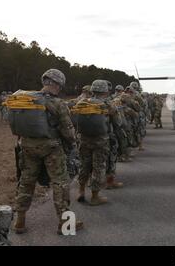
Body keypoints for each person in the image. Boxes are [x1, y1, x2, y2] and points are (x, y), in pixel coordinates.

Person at [7, 69, 83, 234]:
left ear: (45, 81)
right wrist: (72, 145)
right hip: (52, 148)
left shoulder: (27, 99)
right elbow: (68, 131)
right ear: (59, 84)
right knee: (60, 182)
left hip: (27, 146)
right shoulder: (57, 103)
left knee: (26, 182)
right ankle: (65, 224)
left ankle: (20, 221)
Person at [75, 79, 121, 206]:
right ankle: (95, 196)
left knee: (84, 165)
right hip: (101, 141)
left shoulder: (82, 102)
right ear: (105, 90)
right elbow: (118, 123)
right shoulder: (108, 105)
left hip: (84, 139)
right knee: (98, 167)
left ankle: (81, 191)